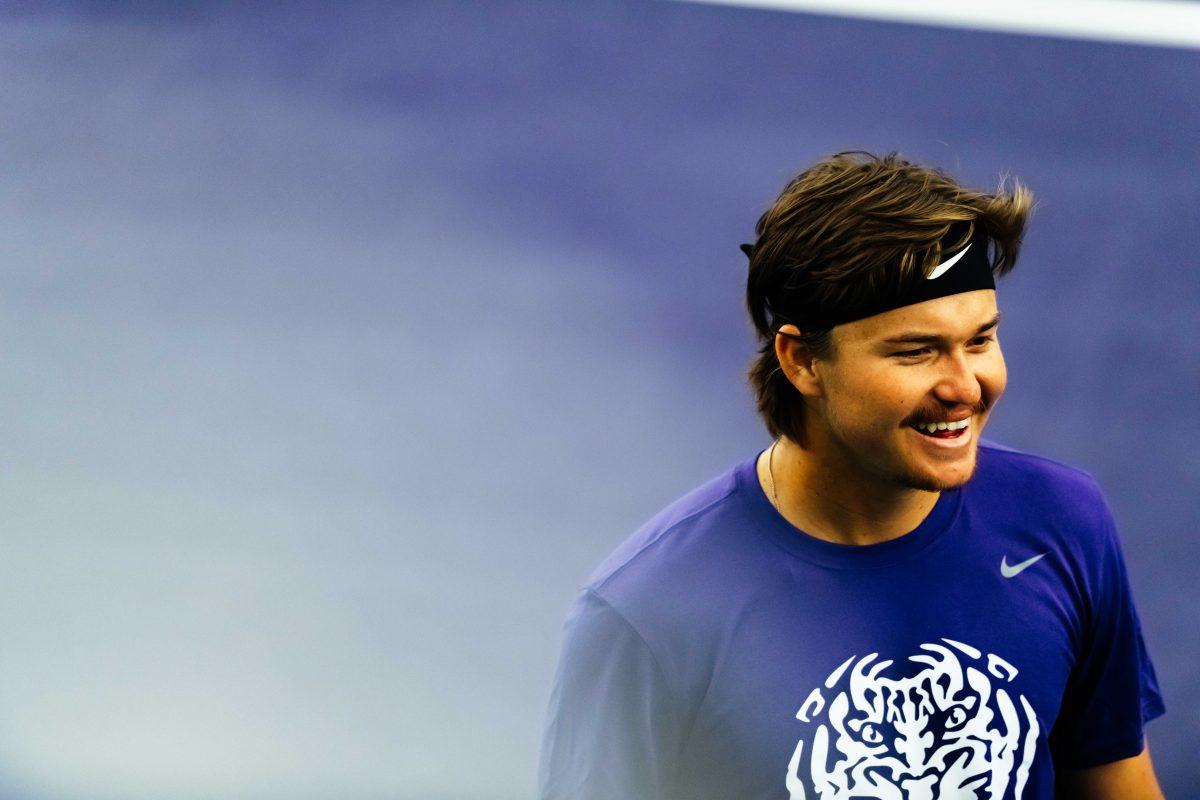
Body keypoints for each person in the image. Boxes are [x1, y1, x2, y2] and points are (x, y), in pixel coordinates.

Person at [537, 151, 1167, 799]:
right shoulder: (645, 614)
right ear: (803, 360)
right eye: (917, 351)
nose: (965, 386)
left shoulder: (1062, 521)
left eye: (979, 341)